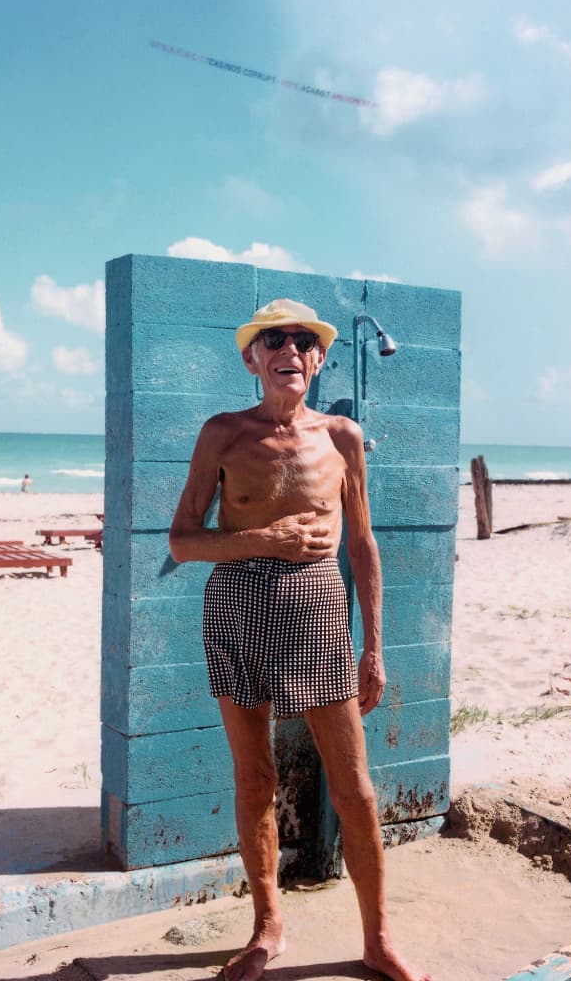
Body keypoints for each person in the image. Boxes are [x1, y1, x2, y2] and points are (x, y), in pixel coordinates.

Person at [169, 299, 432, 981]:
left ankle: (377, 940)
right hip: (236, 603)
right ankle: (267, 927)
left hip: (318, 610)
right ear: (252, 358)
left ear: (317, 360)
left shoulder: (343, 437)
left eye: (303, 342)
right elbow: (182, 538)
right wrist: (264, 538)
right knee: (254, 780)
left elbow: (365, 547)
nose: (289, 349)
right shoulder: (222, 435)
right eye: (273, 340)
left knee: (356, 790)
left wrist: (374, 646)